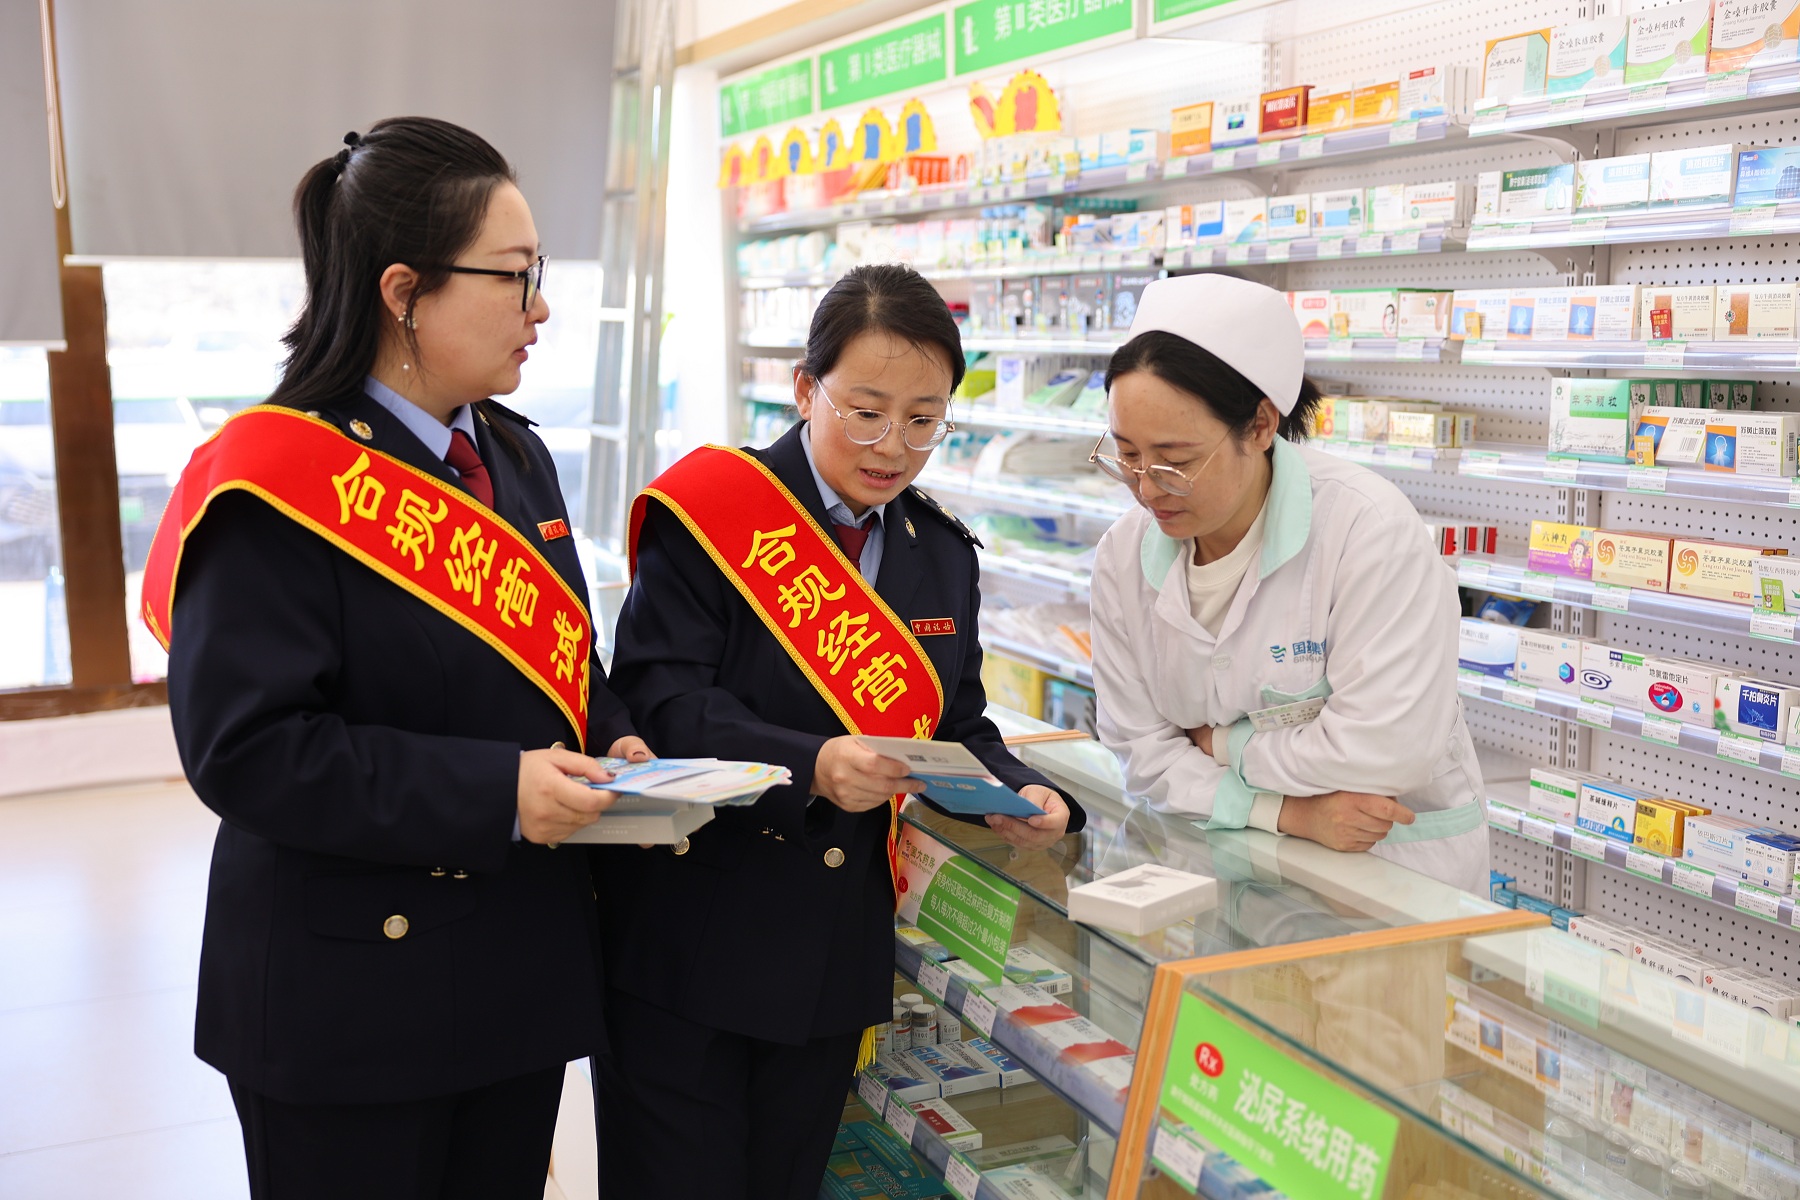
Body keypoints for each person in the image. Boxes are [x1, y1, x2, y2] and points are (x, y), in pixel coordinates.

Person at [148, 118, 648, 1199]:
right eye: (516, 276)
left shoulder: (510, 454)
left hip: (513, 973)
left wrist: (615, 736)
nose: (542, 309)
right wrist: (497, 790)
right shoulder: (277, 482)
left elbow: (564, 661)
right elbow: (250, 752)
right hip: (349, 1000)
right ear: (404, 291)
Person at [595, 263, 1087, 1199]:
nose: (892, 446)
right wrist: (811, 764)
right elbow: (660, 701)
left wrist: (1023, 791)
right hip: (688, 945)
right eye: (866, 412)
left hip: (829, 959)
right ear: (805, 390)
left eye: (923, 419)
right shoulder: (716, 512)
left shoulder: (941, 555)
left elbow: (956, 721)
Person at [1088, 273, 1488, 894]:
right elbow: (1141, 753)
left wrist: (1222, 745)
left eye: (1176, 462)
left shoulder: (1367, 530)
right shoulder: (1122, 556)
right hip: (1217, 870)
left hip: (1390, 876)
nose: (1146, 488)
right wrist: (1288, 812)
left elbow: (1385, 750)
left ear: (1259, 426)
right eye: (1127, 455)